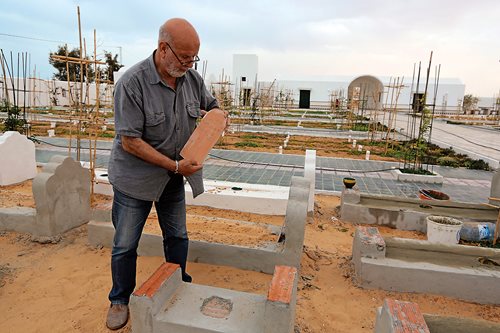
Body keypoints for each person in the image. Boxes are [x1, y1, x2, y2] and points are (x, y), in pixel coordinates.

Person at [105, 18, 225, 330]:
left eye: (193, 58)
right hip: (135, 180)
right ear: (163, 49)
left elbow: (212, 107)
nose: (189, 64)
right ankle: (119, 299)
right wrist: (173, 165)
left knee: (177, 236)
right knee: (125, 243)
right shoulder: (131, 84)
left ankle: (177, 282)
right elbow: (130, 142)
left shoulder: (191, 80)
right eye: (184, 57)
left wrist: (219, 118)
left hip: (174, 176)